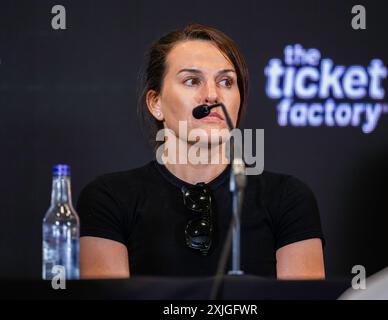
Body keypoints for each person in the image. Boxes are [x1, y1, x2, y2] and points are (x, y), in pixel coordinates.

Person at [76, 23, 325, 279]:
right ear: (155, 103)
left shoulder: (287, 198)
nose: (212, 96)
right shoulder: (109, 198)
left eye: (226, 81)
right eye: (192, 81)